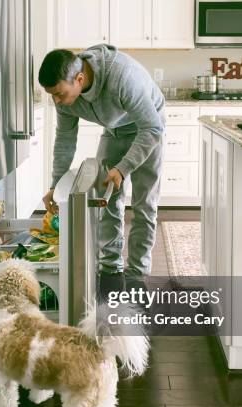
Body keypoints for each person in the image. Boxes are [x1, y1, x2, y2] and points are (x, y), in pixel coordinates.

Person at [38, 44, 165, 291]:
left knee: (144, 205)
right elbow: (65, 139)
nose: (57, 101)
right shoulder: (64, 97)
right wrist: (55, 184)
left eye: (60, 94)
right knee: (106, 200)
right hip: (114, 129)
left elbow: (152, 128)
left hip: (149, 128)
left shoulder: (122, 76)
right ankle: (111, 269)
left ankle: (137, 277)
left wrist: (123, 167)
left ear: (80, 79)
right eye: (51, 94)